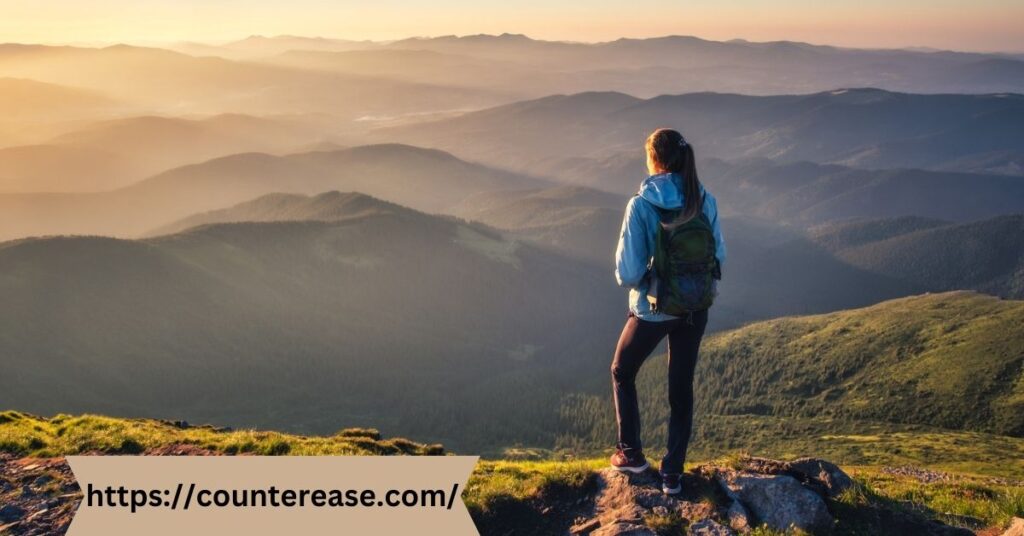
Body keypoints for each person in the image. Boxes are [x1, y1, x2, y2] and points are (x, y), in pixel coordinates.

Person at [609, 128, 726, 495]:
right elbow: (718, 256)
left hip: (654, 308)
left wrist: (651, 276)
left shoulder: (641, 205)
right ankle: (672, 475)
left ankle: (631, 454)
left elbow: (627, 273)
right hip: (695, 307)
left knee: (622, 371)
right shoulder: (704, 199)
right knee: (681, 389)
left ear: (654, 160)